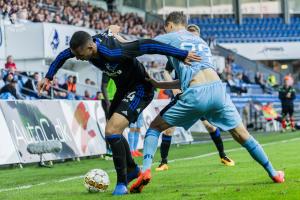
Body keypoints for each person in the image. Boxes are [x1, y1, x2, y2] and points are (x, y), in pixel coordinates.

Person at [130, 11, 284, 194]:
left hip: (196, 94)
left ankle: (145, 170)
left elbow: (144, 45)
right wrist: (160, 84)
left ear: (170, 25)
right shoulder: (201, 42)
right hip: (218, 90)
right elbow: (191, 76)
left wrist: (117, 40)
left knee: (155, 128)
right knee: (243, 135)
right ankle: (274, 173)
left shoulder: (170, 36)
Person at [37, 29, 200, 196]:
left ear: (91, 47)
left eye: (80, 55)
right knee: (112, 132)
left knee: (112, 130)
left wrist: (182, 54)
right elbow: (63, 56)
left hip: (140, 88)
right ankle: (131, 170)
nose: (78, 58)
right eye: (76, 55)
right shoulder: (84, 46)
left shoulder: (114, 51)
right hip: (123, 89)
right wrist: (48, 77)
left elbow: (148, 44)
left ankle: (122, 182)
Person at [156, 24, 235, 171]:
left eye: (194, 34)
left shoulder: (204, 54)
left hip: (201, 95)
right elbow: (166, 71)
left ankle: (223, 155)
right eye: (189, 33)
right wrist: (174, 89)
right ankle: (163, 162)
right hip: (184, 95)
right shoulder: (180, 52)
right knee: (168, 129)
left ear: (198, 36)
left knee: (210, 126)